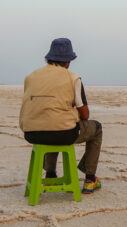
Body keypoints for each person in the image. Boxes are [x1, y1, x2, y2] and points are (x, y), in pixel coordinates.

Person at [19, 38, 102, 194]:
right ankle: (90, 179)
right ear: (68, 61)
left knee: (50, 122)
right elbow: (85, 114)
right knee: (96, 128)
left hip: (31, 133)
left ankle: (50, 175)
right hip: (63, 134)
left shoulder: (30, 77)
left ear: (48, 58)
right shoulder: (73, 78)